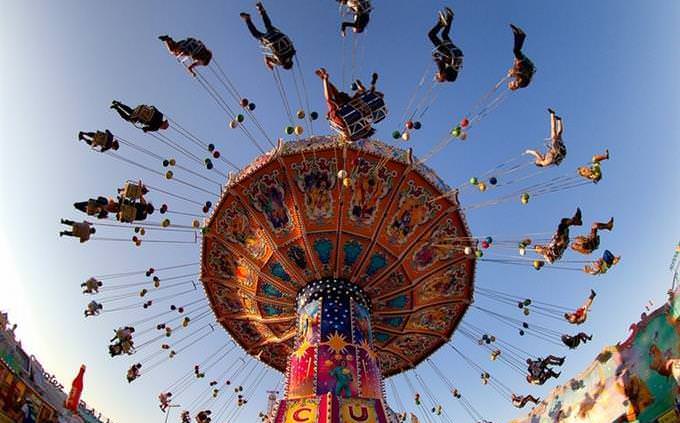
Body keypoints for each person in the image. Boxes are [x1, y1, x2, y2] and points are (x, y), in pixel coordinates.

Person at [316, 67, 382, 140]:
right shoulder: (358, 130)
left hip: (348, 112)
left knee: (335, 98)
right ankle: (325, 79)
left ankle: (325, 79)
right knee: (331, 100)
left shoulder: (361, 125)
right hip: (344, 115)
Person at [240, 3, 295, 70]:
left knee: (268, 24)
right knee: (256, 34)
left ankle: (261, 9)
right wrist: (268, 64)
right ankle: (247, 19)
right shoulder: (280, 61)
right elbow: (267, 58)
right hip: (270, 40)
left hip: (278, 35)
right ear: (284, 65)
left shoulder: (292, 52)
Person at [428, 7, 463, 83]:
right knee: (431, 35)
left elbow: (443, 63)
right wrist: (436, 58)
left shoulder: (449, 74)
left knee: (444, 35)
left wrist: (438, 57)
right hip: (451, 54)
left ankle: (450, 17)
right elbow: (441, 65)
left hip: (456, 53)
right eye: (437, 75)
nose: (437, 73)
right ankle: (441, 23)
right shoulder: (447, 75)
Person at [507, 24, 535, 90]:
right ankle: (520, 35)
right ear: (514, 86)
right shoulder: (522, 84)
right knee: (516, 51)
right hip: (528, 66)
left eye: (510, 82)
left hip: (525, 65)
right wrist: (514, 73)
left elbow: (516, 69)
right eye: (511, 84)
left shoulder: (517, 80)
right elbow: (523, 76)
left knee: (516, 51)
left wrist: (513, 69)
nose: (511, 82)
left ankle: (518, 35)